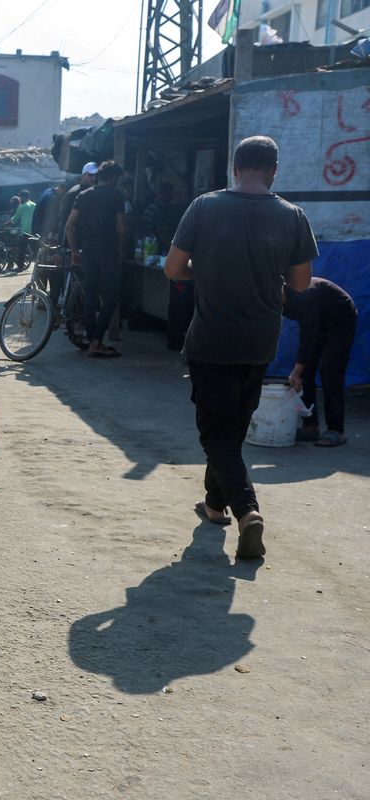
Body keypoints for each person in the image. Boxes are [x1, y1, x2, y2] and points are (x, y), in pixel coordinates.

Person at [164, 135, 315, 559]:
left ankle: (248, 512)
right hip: (260, 343)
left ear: (234, 168)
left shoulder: (204, 207)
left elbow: (173, 269)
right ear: (273, 171)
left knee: (218, 436)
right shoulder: (292, 216)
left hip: (211, 341)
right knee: (229, 432)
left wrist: (206, 273)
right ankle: (215, 505)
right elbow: (301, 284)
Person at [285, 277, 358, 447]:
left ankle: (336, 430)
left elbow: (308, 335)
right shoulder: (274, 299)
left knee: (330, 371)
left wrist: (296, 371)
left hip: (341, 318)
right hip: (318, 321)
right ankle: (310, 427)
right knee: (305, 373)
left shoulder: (303, 294)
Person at [65, 160, 126, 358]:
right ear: (114, 178)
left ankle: (92, 339)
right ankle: (97, 341)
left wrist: (75, 250)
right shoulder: (117, 195)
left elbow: (69, 226)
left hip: (87, 251)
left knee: (90, 294)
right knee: (113, 295)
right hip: (108, 252)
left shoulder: (83, 195)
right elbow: (121, 228)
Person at [59, 162, 98, 241]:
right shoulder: (73, 194)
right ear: (83, 175)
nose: (94, 178)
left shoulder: (95, 193)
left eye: (96, 175)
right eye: (90, 175)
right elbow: (65, 223)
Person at [140, 181, 184, 253]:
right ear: (167, 193)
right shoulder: (159, 211)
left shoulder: (151, 208)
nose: (172, 196)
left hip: (147, 247)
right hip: (155, 249)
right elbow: (164, 236)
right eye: (171, 193)